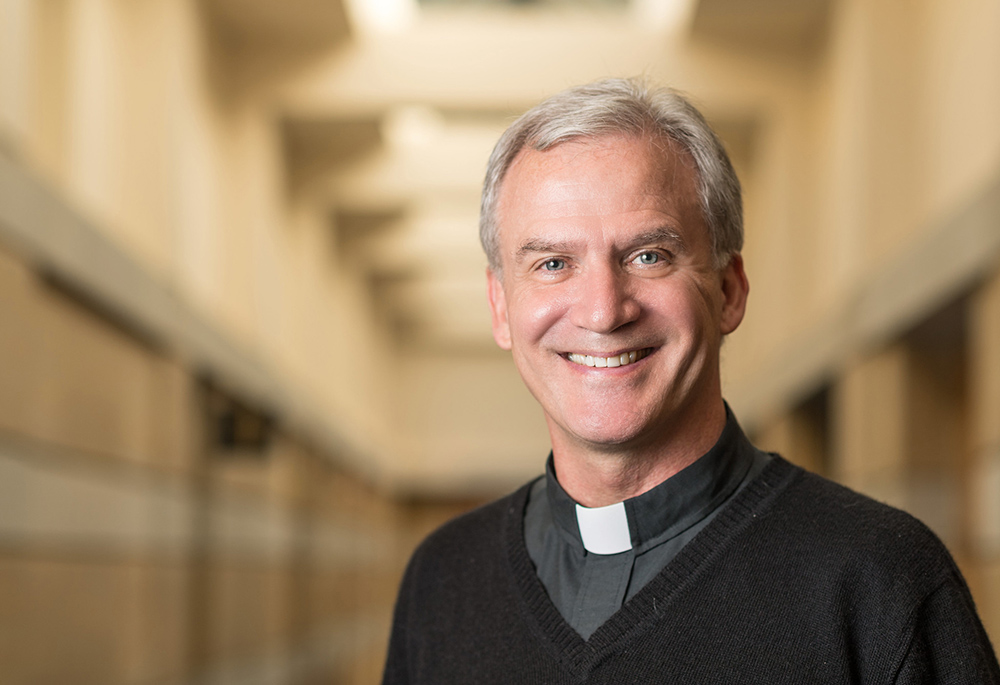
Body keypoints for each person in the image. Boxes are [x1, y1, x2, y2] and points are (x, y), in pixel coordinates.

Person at [382, 78, 1000, 683]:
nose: (604, 310)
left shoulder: (880, 581)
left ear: (728, 290)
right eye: (552, 264)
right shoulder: (442, 582)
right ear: (500, 308)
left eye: (648, 255)